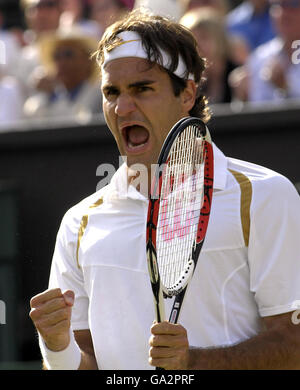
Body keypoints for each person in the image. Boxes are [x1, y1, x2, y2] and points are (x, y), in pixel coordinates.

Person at [29, 10, 300, 370]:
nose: (123, 107)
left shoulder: (265, 196)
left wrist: (195, 363)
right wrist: (57, 347)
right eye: (112, 92)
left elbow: (293, 344)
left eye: (142, 88)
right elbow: (86, 361)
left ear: (187, 94)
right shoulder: (78, 222)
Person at [23, 28, 102, 121]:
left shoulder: (101, 94)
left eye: (68, 54)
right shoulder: (48, 98)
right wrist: (46, 95)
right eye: (56, 56)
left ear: (88, 60)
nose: (61, 62)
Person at [180, 7, 238, 103]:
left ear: (219, 39)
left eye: (203, 37)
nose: (197, 44)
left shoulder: (239, 75)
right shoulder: (186, 81)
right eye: (192, 39)